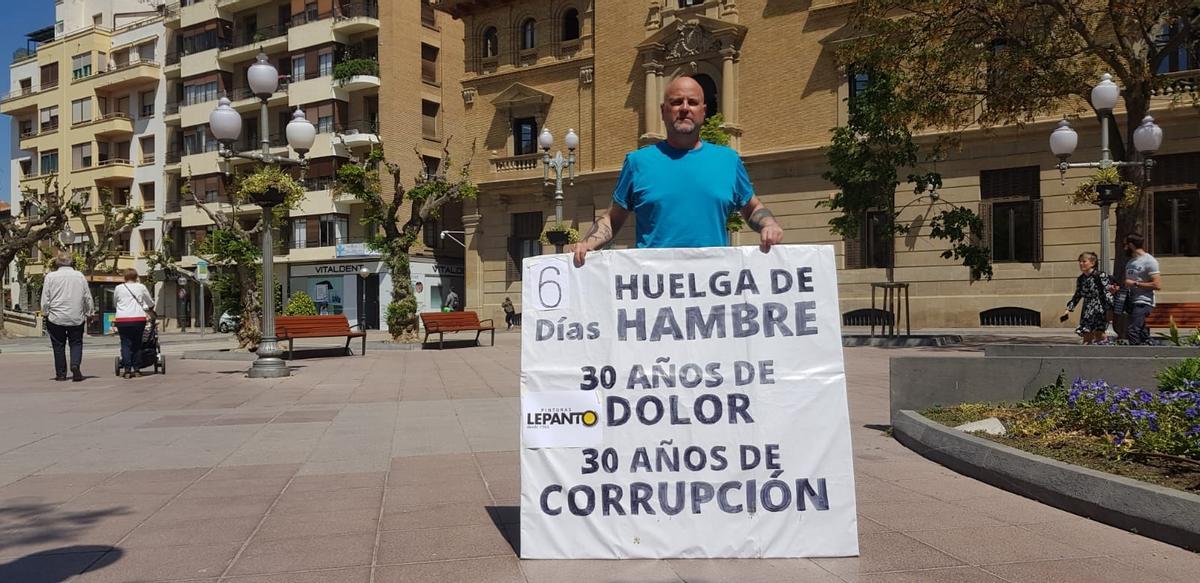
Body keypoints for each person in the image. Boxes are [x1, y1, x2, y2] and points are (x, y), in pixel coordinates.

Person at [572, 76, 783, 264]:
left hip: (713, 286)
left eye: (692, 102)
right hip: (655, 289)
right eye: (676, 102)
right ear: (664, 111)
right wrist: (588, 243)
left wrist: (769, 224)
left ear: (703, 111)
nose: (684, 108)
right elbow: (613, 218)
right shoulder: (637, 162)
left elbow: (753, 208)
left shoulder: (728, 160)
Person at [41, 252, 94, 382]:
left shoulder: (50, 277)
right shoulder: (79, 276)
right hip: (76, 316)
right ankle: (75, 365)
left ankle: (61, 374)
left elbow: (45, 297)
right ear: (71, 262)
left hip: (56, 316)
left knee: (58, 345)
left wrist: (45, 312)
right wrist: (90, 312)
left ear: (57, 263)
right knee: (76, 343)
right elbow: (87, 296)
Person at [1111, 233, 1161, 345]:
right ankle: (1152, 348)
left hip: (1143, 301)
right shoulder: (1130, 262)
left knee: (1132, 331)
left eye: (1125, 245)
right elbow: (1128, 284)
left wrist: (1135, 283)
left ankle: (1134, 355)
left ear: (1131, 245)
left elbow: (1157, 285)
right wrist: (1117, 289)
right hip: (1131, 302)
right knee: (1142, 334)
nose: (1124, 248)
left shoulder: (1150, 261)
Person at [1061, 252, 1112, 344]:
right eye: (1080, 262)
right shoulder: (1081, 279)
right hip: (1087, 308)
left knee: (1099, 333)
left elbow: (1107, 292)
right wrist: (1069, 308)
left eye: (1084, 261)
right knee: (1086, 333)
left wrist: (1110, 309)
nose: (1081, 264)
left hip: (1099, 308)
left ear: (1092, 263)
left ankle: (1104, 349)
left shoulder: (1100, 275)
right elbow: (1078, 295)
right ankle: (1087, 353)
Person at [113, 269, 155, 378]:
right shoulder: (141, 287)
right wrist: (150, 308)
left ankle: (127, 369)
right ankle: (137, 369)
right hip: (138, 319)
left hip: (122, 320)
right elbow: (150, 302)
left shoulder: (119, 288)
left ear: (124, 277)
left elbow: (115, 302)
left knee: (125, 344)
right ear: (136, 277)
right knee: (137, 344)